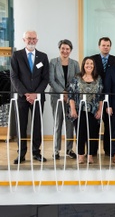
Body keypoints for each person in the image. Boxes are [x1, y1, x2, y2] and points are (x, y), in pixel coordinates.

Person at [10, 30, 49, 164]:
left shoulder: (43, 57)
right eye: (29, 38)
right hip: (22, 97)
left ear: (37, 40)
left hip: (38, 97)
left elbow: (45, 78)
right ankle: (21, 153)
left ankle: (36, 152)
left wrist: (35, 94)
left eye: (34, 38)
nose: (31, 41)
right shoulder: (16, 55)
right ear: (24, 40)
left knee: (37, 125)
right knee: (21, 125)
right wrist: (26, 94)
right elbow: (14, 77)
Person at [68, 57, 103, 164]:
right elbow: (71, 95)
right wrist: (73, 109)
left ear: (94, 66)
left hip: (93, 111)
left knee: (92, 134)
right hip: (79, 111)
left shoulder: (98, 78)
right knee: (80, 133)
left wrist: (100, 110)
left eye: (91, 63)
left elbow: (101, 96)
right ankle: (80, 155)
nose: (89, 65)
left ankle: (90, 155)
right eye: (87, 63)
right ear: (83, 65)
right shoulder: (77, 78)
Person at [49, 39, 80, 160]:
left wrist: (69, 94)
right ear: (59, 49)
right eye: (63, 48)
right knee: (57, 123)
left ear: (70, 50)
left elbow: (77, 81)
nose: (65, 51)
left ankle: (69, 149)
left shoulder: (75, 63)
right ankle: (56, 150)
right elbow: (51, 80)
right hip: (57, 97)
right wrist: (62, 92)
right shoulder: (53, 62)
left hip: (71, 98)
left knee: (70, 124)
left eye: (67, 49)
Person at [90, 37, 115, 156]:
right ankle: (93, 150)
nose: (105, 47)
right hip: (95, 97)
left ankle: (108, 150)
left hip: (110, 96)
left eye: (107, 45)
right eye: (103, 45)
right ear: (99, 46)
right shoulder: (93, 59)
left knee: (109, 125)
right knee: (94, 125)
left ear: (110, 47)